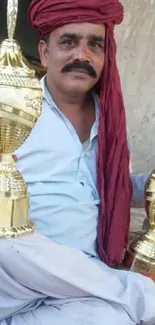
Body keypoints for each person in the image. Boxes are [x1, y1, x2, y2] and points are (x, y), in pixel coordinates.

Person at [0, 0, 154, 324]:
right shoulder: (13, 109)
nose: (81, 55)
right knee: (7, 243)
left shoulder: (111, 122)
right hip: (22, 276)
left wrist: (149, 186)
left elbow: (114, 188)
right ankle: (138, 297)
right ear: (44, 52)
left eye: (94, 45)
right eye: (68, 42)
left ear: (104, 55)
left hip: (86, 285)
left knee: (111, 320)